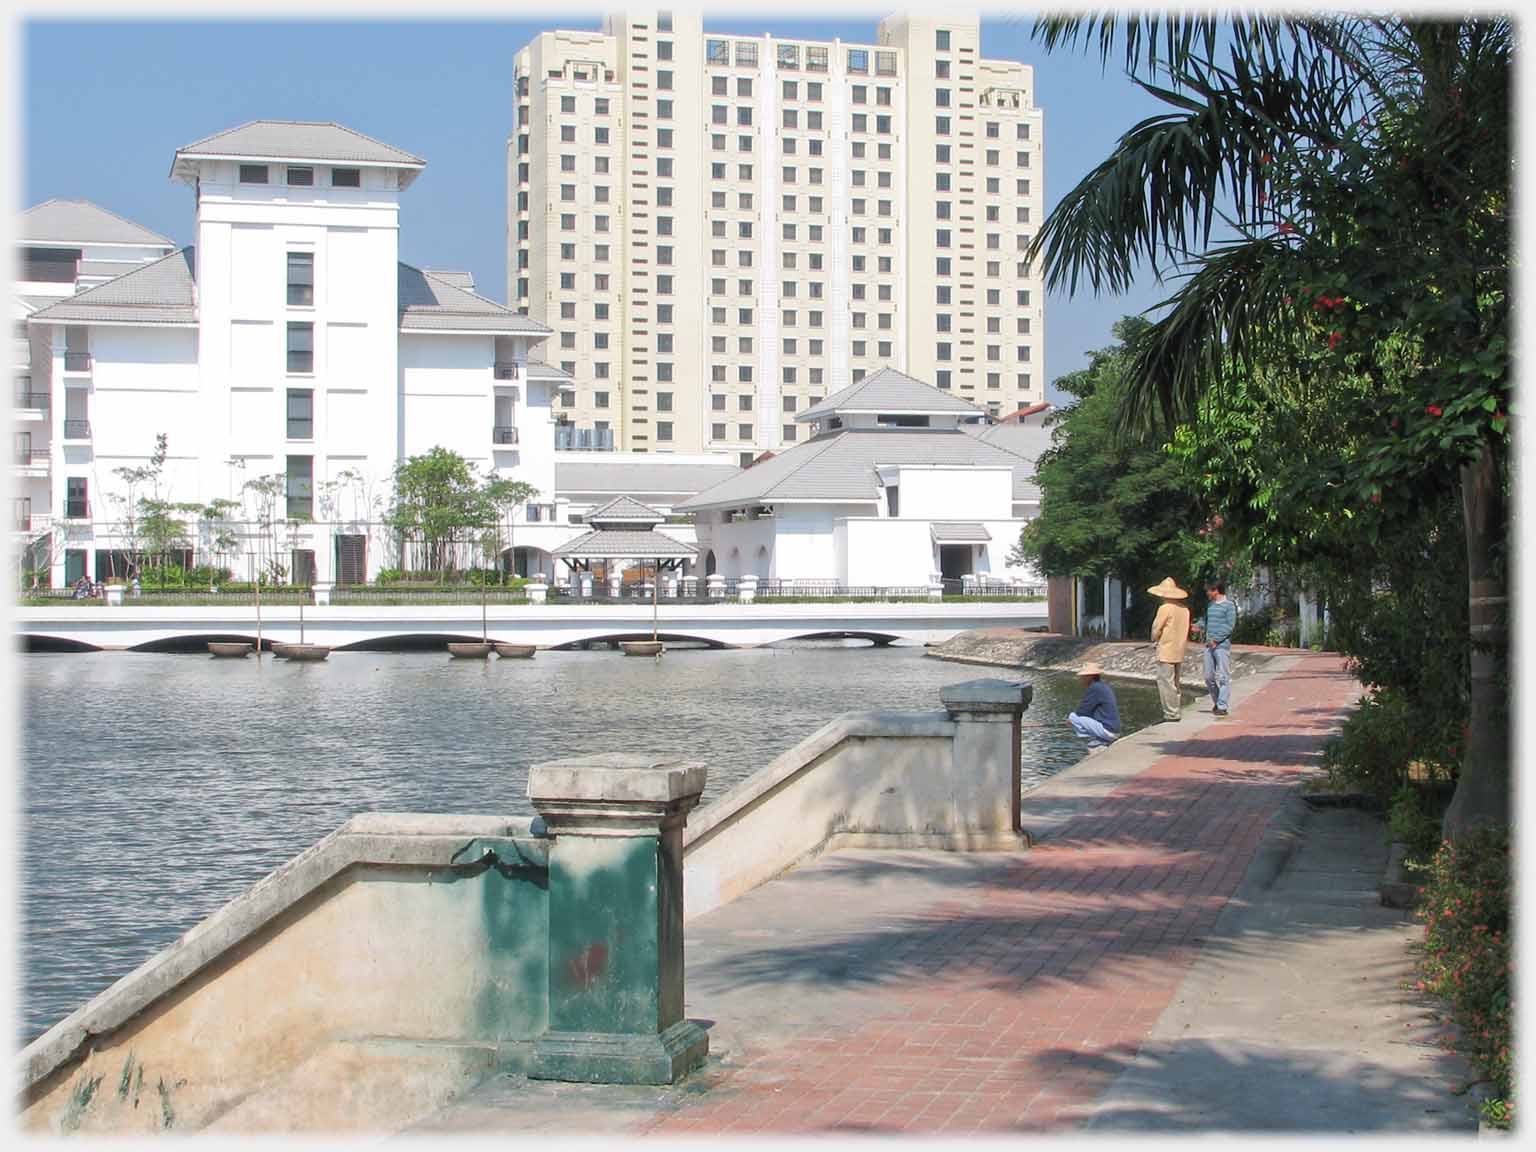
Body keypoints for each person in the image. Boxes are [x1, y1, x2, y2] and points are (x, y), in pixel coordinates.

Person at [1147, 577, 1191, 722]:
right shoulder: (1185, 610)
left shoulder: (1165, 608)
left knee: (1165, 683)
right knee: (1175, 683)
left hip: (1166, 650)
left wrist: (1155, 638)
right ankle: (1176, 710)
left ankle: (1171, 713)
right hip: (1179, 650)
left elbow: (1156, 629)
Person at [1201, 578, 1238, 716]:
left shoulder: (1229, 605)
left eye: (1208, 591)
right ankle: (1217, 701)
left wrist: (1217, 640)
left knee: (1223, 676)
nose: (1207, 593)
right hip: (1208, 646)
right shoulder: (1210, 605)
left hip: (1221, 646)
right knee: (1208, 676)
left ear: (1215, 590)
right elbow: (1205, 620)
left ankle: (1222, 706)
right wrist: (1198, 626)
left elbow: (1230, 625)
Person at [1068, 661, 1120, 746]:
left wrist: (1070, 721)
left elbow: (1081, 712)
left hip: (1109, 731)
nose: (1080, 679)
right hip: (1114, 730)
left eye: (1082, 676)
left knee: (1072, 717)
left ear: (1090, 677)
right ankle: (1101, 739)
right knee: (1077, 718)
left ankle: (1102, 739)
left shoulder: (1095, 688)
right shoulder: (1102, 686)